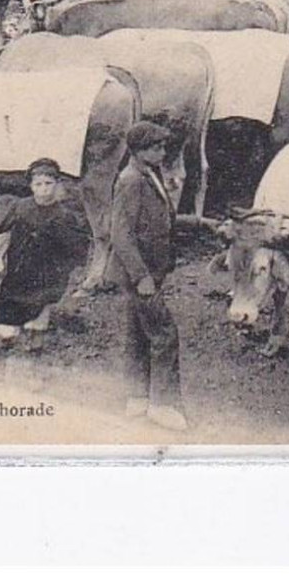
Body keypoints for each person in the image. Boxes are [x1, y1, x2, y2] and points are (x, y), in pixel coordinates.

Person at [108, 121, 187, 432]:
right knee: (165, 333)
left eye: (163, 146)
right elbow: (121, 234)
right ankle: (162, 405)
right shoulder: (130, 180)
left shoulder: (148, 174)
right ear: (139, 151)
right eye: (156, 147)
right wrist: (141, 276)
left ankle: (138, 397)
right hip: (140, 273)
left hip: (150, 270)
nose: (163, 151)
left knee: (139, 333)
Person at [0, 159, 92, 332]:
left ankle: (34, 341)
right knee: (6, 328)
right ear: (31, 186)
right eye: (38, 184)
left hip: (45, 275)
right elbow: (2, 232)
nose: (44, 188)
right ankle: (6, 335)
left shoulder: (64, 215)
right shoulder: (20, 207)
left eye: (49, 183)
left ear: (57, 184)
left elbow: (76, 246)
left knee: (37, 322)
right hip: (17, 270)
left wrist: (66, 267)